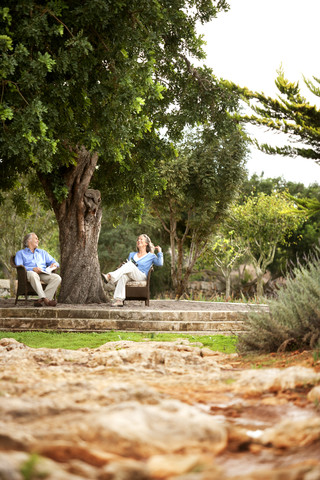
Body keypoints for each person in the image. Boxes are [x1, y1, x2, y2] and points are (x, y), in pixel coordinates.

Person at [101, 234, 163, 307]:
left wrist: (159, 252)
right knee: (123, 276)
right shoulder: (132, 254)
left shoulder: (151, 256)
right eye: (138, 239)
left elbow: (160, 263)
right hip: (131, 275)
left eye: (141, 239)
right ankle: (119, 300)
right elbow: (127, 267)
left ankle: (110, 276)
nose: (138, 241)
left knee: (130, 264)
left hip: (141, 276)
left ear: (146, 243)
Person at [15, 232, 62, 307]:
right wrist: (32, 269)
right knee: (33, 274)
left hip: (43, 273)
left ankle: (41, 300)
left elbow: (55, 262)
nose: (38, 240)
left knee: (57, 278)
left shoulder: (42, 252)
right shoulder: (20, 253)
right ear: (29, 240)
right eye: (36, 238)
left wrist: (54, 264)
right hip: (29, 273)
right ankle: (46, 300)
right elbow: (19, 266)